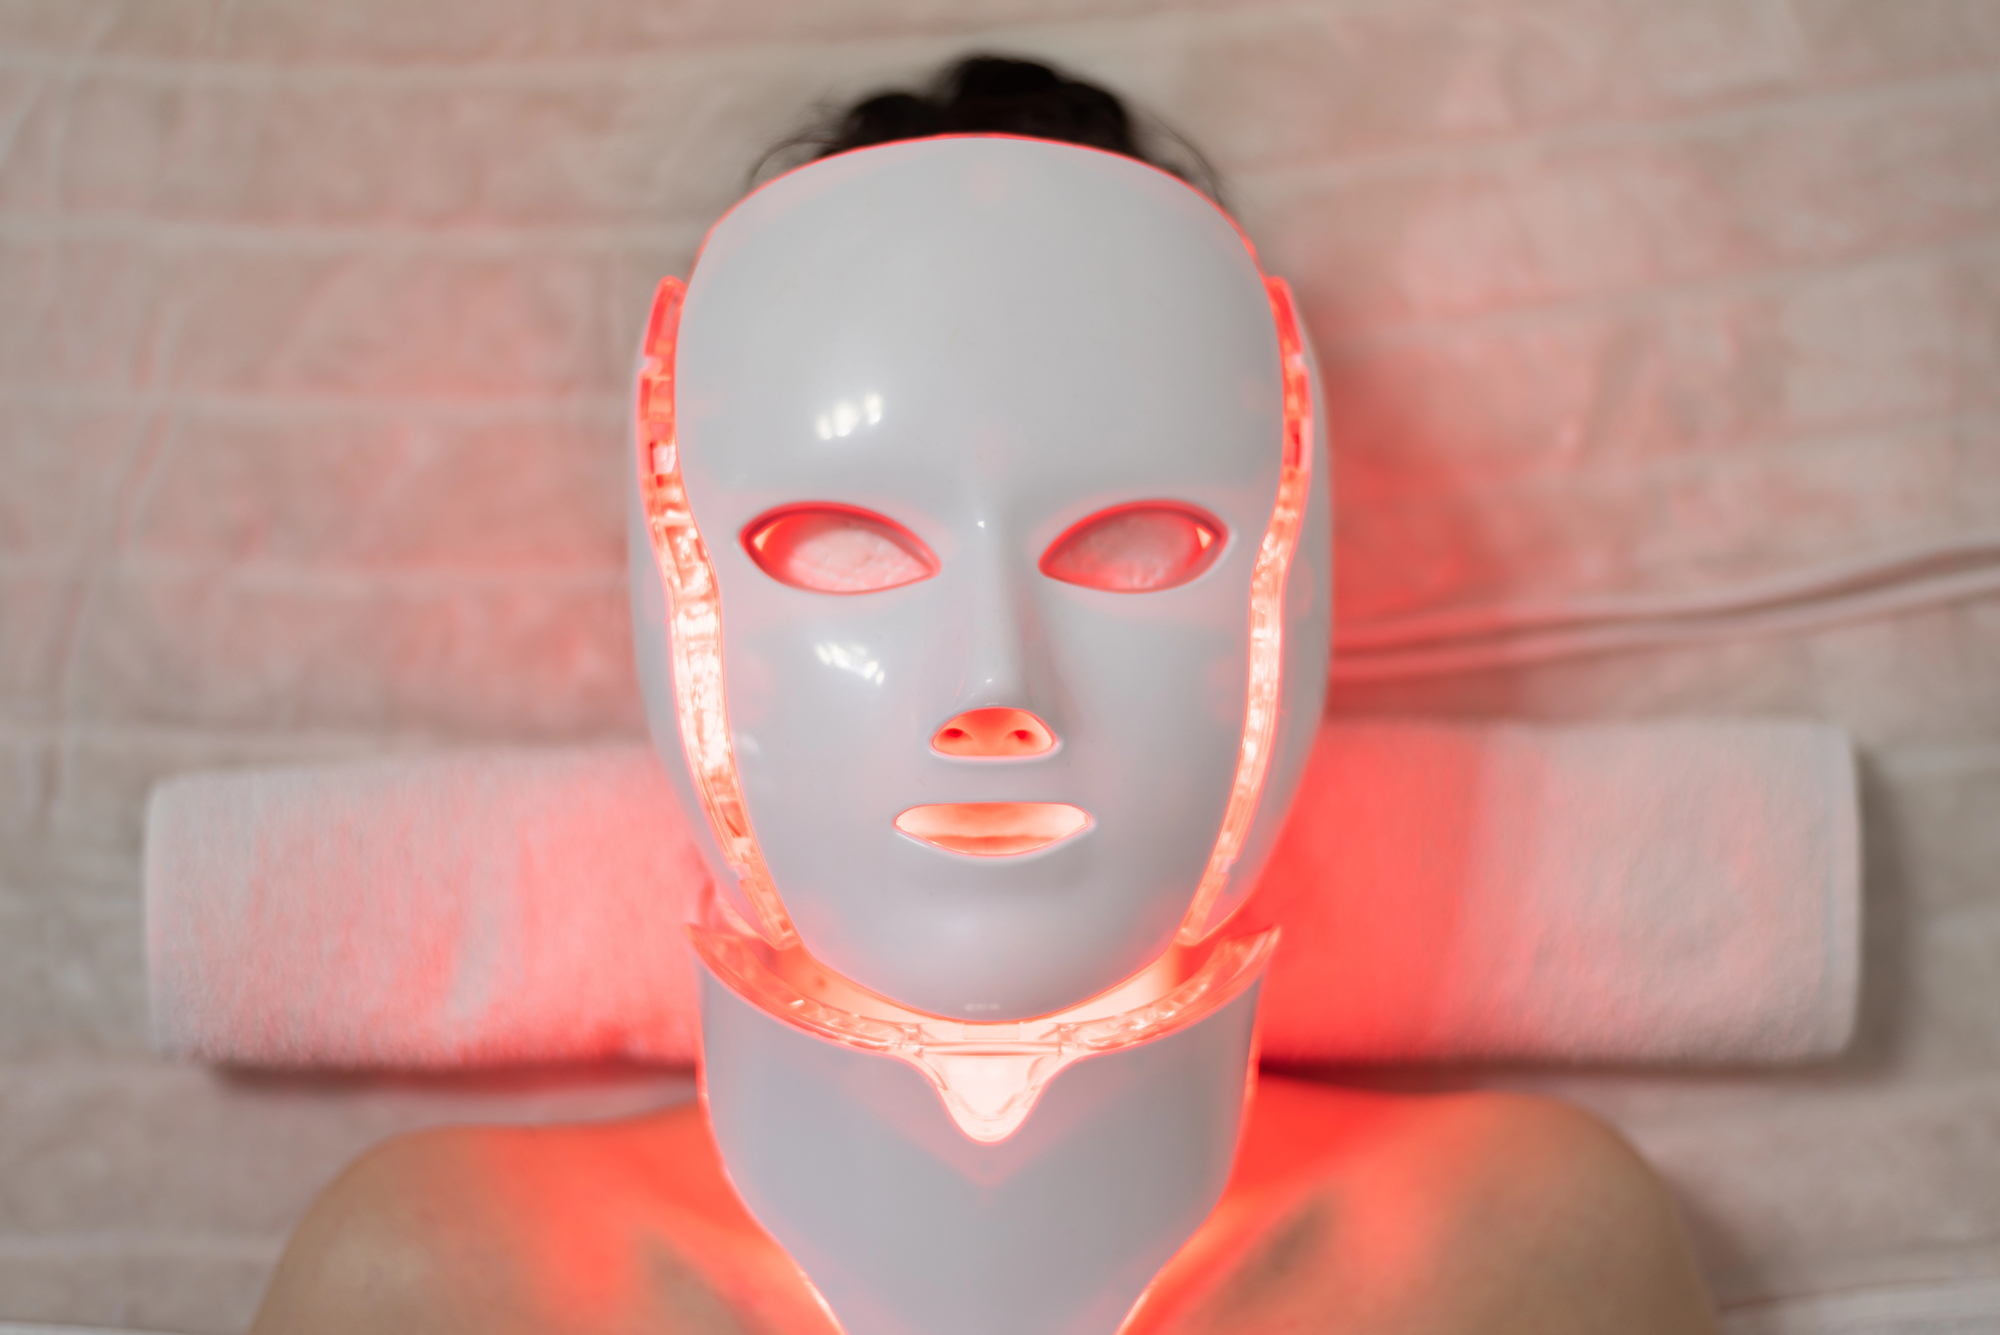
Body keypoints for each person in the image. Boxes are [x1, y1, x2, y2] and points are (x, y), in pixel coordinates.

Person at [250, 57, 1720, 1335]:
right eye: (845, 546)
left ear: (1290, 564)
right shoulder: (442, 1277)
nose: (994, 689)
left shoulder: (1522, 1250)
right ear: (672, 562)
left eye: (1133, 547)